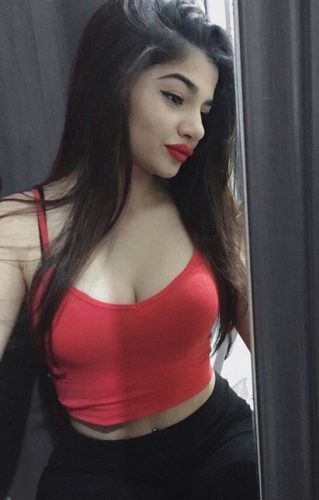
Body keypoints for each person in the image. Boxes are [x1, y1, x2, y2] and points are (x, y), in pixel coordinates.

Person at [0, 0, 259, 498]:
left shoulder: (206, 208)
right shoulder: (19, 227)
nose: (196, 128)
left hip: (218, 442)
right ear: (114, 82)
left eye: (204, 111)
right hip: (96, 466)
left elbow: (276, 355)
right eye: (175, 97)